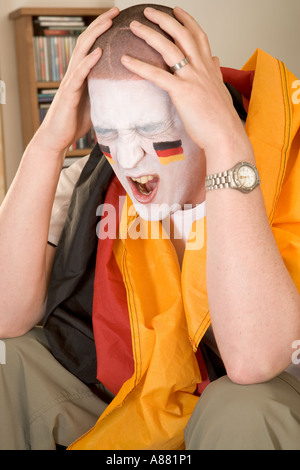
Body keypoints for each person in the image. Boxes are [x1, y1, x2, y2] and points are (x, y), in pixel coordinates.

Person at [0, 4, 299, 450]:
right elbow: (5, 313)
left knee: (242, 404)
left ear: (207, 100)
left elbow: (254, 362)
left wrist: (225, 143)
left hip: (254, 411)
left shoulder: (283, 161)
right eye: (109, 133)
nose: (127, 158)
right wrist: (49, 141)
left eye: (150, 128)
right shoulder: (94, 180)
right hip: (132, 402)